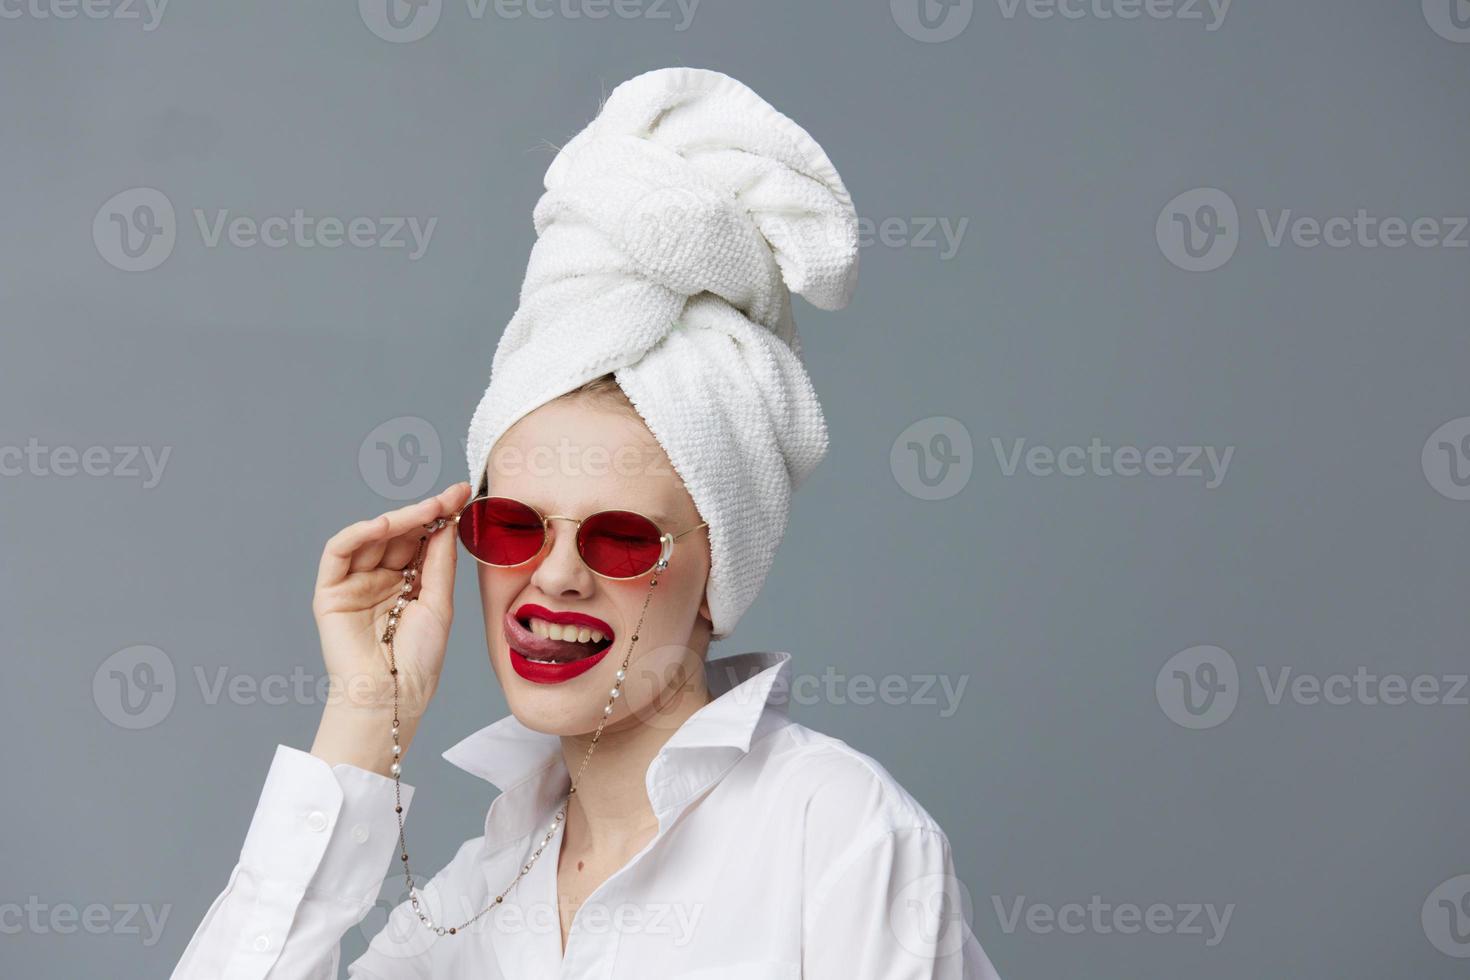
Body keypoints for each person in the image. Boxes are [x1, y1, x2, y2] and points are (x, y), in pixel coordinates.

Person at [170, 67, 1001, 979]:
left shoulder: (837, 837)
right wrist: (368, 717)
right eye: (516, 528)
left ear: (717, 575)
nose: (557, 575)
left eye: (621, 539)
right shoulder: (479, 895)